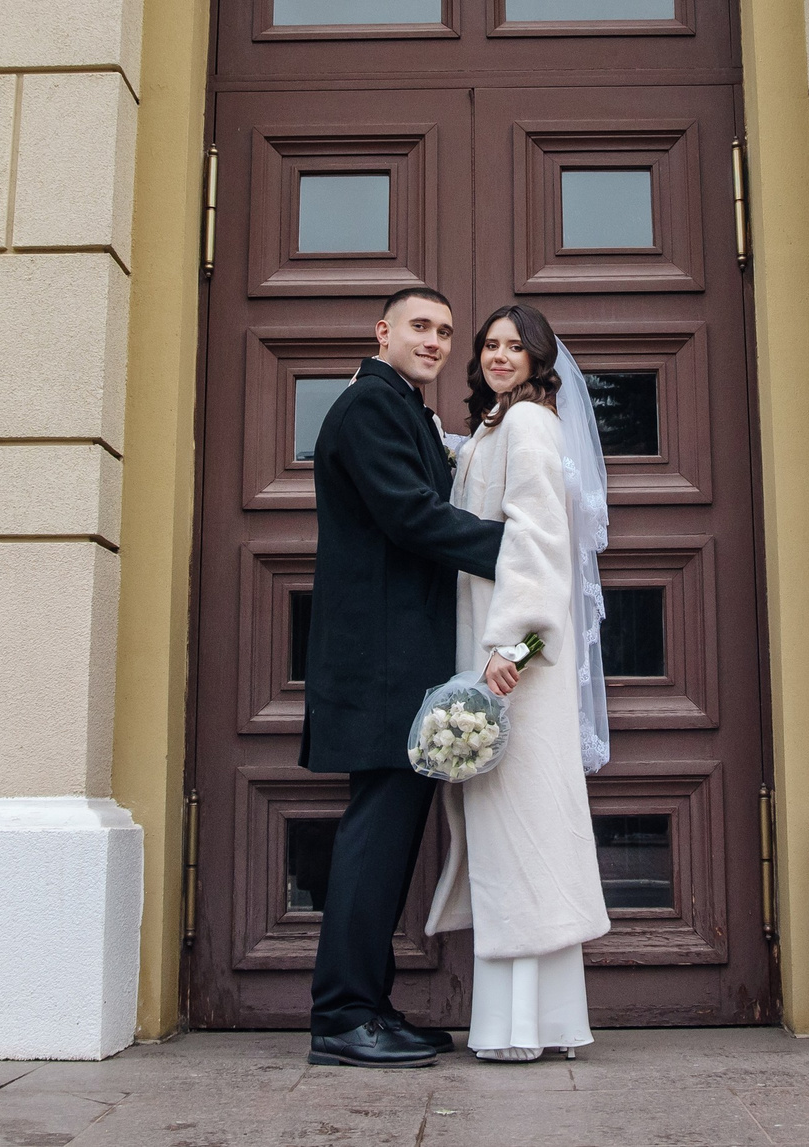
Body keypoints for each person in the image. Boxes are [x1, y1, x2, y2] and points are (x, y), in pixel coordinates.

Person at [302, 286, 509, 1069]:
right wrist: (518, 548)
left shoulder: (399, 407)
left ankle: (370, 1005)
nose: (436, 341)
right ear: (383, 332)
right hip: (379, 660)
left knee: (387, 841)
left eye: (446, 332)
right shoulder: (369, 408)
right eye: (421, 327)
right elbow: (411, 516)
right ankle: (341, 1015)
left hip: (397, 658)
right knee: (373, 838)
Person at [425, 302, 612, 1063]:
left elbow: (537, 536)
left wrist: (513, 643)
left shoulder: (531, 424)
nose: (500, 355)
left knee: (523, 838)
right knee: (513, 843)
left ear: (538, 359)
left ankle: (524, 1026)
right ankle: (536, 1022)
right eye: (491, 345)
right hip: (499, 662)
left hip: (516, 669)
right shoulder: (497, 429)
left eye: (515, 346)